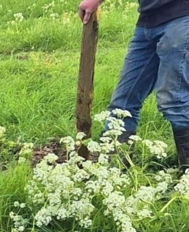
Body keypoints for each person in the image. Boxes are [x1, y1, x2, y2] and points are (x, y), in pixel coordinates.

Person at [80, 0, 189, 161]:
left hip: (181, 17)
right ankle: (114, 171)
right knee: (123, 104)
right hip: (147, 21)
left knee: (174, 101)